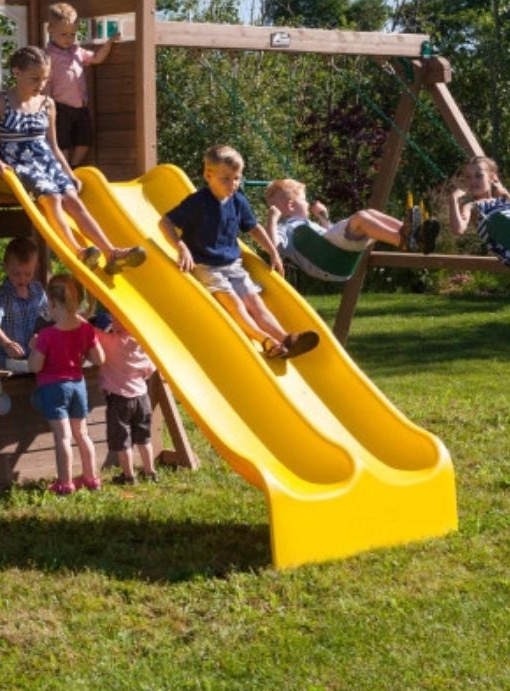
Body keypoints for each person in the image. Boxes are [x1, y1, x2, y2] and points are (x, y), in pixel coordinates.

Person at [0, 46, 146, 272]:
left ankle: (111, 252)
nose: (41, 84)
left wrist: (70, 173)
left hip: (46, 161)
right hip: (19, 162)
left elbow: (54, 146)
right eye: (35, 78)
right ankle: (78, 251)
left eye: (45, 79)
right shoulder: (1, 102)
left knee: (73, 199)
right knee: (52, 197)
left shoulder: (47, 103)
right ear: (17, 72)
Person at [158, 145, 320, 361]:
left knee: (255, 302)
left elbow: (253, 228)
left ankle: (286, 340)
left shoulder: (238, 201)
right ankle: (265, 340)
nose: (233, 184)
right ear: (208, 175)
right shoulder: (198, 202)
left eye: (236, 178)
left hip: (233, 265)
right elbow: (165, 222)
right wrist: (181, 247)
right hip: (206, 266)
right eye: (226, 179)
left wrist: (273, 252)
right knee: (234, 304)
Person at [262, 178, 438, 282]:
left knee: (370, 213)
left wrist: (323, 217)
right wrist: (272, 219)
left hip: (336, 254)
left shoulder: (306, 225)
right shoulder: (285, 228)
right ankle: (402, 239)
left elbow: (330, 235)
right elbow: (274, 247)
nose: (308, 203)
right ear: (291, 205)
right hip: (327, 260)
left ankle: (412, 233)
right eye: (304, 199)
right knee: (361, 217)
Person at [28, 273, 103, 494]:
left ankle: (65, 483)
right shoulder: (85, 329)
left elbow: (35, 366)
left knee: (63, 437)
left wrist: (34, 347)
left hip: (54, 389)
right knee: (82, 434)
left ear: (52, 303)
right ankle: (91, 478)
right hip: (78, 386)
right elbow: (99, 359)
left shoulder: (46, 335)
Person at [445, 155, 510, 270]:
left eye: (479, 176)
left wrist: (507, 195)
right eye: (468, 177)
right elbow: (458, 230)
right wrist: (453, 200)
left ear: (492, 178)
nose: (473, 181)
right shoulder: (472, 206)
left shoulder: (502, 200)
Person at [91, 308, 158, 483]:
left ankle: (128, 476)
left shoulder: (111, 341)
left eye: (115, 318)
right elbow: (150, 369)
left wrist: (75, 315)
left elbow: (90, 330)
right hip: (142, 397)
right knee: (144, 437)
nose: (112, 320)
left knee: (122, 440)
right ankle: (150, 472)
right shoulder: (142, 343)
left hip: (119, 399)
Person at [44, 1, 115, 167]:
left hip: (81, 107)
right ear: (50, 30)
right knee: (62, 142)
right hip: (60, 106)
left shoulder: (77, 51)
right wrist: (47, 103)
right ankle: (64, 169)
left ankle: (72, 167)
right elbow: (46, 80)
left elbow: (96, 58)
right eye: (63, 34)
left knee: (85, 140)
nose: (68, 39)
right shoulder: (48, 55)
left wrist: (109, 43)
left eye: (72, 34)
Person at [0, 236, 48, 372]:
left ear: (35, 268)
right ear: (6, 268)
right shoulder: (2, 296)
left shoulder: (38, 291)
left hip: (35, 357)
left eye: (27, 274)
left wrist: (40, 335)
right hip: (11, 360)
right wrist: (7, 343)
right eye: (16, 274)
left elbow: (48, 317)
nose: (22, 278)